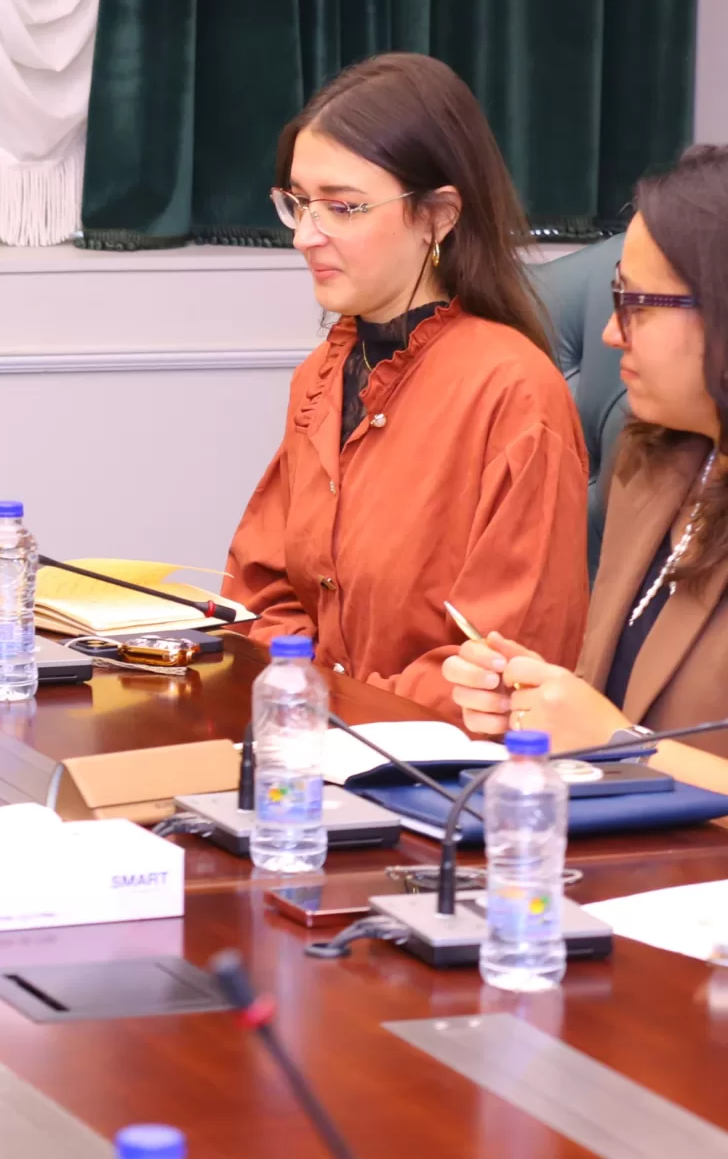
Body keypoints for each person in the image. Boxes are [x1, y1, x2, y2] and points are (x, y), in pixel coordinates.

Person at [225, 54, 590, 709]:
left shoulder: (514, 393)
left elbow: (503, 666)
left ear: (438, 215)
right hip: (319, 740)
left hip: (439, 760)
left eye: (342, 207)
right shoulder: (323, 375)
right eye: (298, 203)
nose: (305, 236)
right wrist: (301, 697)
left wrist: (336, 711)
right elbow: (264, 592)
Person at [446, 148, 728, 781]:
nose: (611, 333)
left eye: (638, 304)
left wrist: (614, 741)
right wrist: (535, 702)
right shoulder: (654, 460)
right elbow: (616, 704)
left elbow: (621, 737)